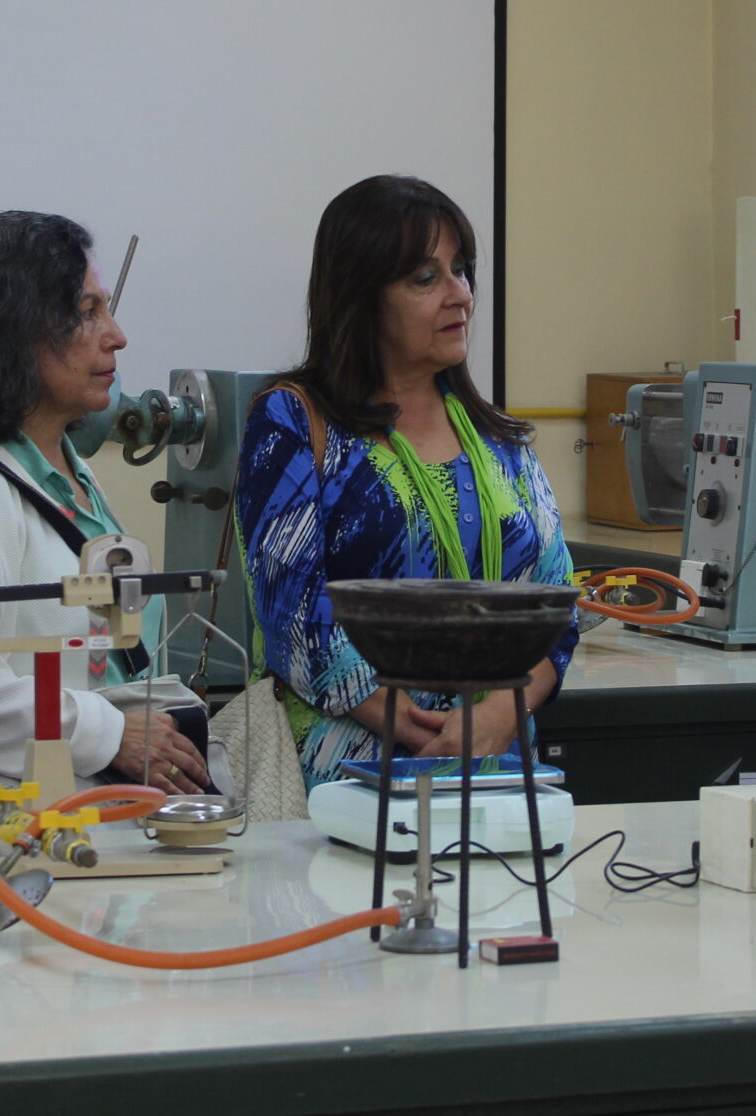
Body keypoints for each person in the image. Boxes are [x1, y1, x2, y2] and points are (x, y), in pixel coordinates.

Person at [237, 175, 578, 787]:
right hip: (346, 778)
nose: (461, 295)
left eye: (461, 270)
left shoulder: (498, 438)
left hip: (497, 773)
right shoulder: (294, 419)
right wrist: (410, 722)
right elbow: (289, 610)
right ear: (361, 296)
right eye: (426, 278)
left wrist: (502, 710)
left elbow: (557, 604)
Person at [0, 211, 211, 806]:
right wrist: (106, 734)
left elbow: (108, 655)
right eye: (87, 312)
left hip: (111, 806)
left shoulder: (73, 478)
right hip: (25, 820)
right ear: (11, 330)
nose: (116, 336)